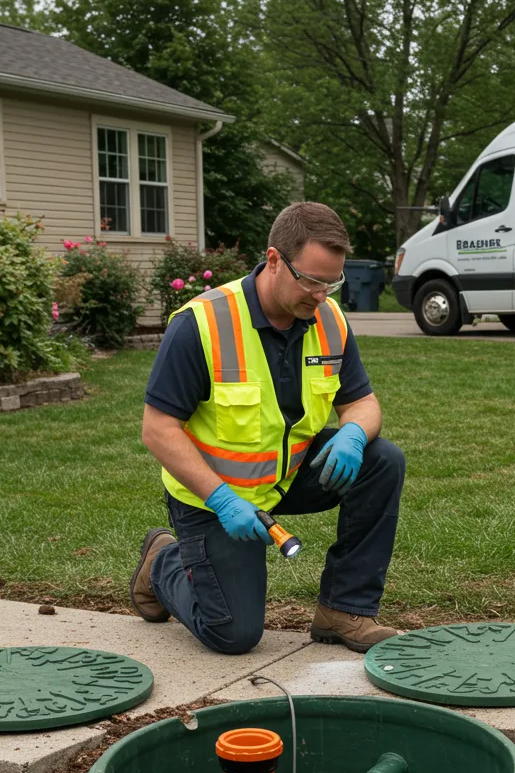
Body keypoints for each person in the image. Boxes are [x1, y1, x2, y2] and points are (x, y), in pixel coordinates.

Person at [129, 202, 405, 654]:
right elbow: (158, 429)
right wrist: (220, 499)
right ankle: (163, 561)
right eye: (312, 280)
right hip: (215, 498)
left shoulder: (329, 320)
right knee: (234, 634)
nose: (321, 294)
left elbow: (361, 402)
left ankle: (344, 609)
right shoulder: (201, 324)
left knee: (382, 461)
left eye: (332, 282)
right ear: (274, 259)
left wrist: (354, 434)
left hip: (287, 476)